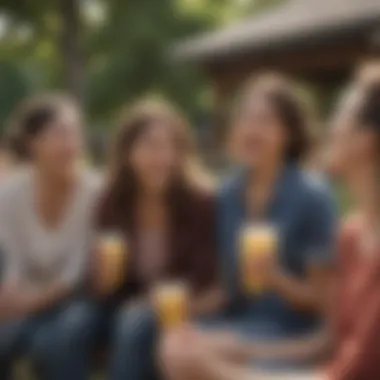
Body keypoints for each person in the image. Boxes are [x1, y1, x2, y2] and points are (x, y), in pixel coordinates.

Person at [159, 73, 336, 379]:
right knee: (173, 344)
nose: (251, 129)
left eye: (265, 120)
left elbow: (325, 302)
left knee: (190, 359)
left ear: (288, 132)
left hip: (291, 333)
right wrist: (189, 308)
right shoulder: (227, 194)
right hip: (238, 321)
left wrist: (277, 279)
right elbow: (229, 287)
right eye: (244, 119)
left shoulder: (312, 196)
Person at [94, 99, 222, 380]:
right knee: (76, 326)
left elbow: (210, 283)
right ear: (127, 153)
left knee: (134, 324)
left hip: (189, 309)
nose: (161, 157)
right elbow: (108, 289)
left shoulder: (200, 202)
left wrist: (157, 303)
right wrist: (103, 278)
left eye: (169, 147)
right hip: (128, 308)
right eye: (149, 146)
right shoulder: (112, 203)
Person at [0, 94, 100, 380]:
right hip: (28, 295)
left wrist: (28, 303)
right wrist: (11, 291)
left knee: (56, 340)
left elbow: (78, 271)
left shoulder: (95, 192)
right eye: (60, 134)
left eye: (75, 134)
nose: (72, 144)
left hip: (79, 300)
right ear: (33, 144)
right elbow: (13, 261)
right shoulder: (9, 195)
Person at [323, 64, 380, 380]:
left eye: (340, 116)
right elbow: (338, 350)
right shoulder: (350, 234)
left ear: (368, 138)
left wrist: (222, 372)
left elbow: (358, 369)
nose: (329, 126)